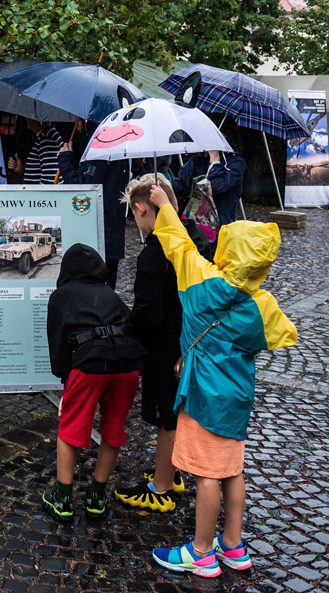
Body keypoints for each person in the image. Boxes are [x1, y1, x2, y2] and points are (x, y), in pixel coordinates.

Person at [146, 183, 298, 578]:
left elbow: (178, 245)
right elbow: (284, 334)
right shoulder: (262, 305)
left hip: (202, 394)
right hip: (237, 395)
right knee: (232, 469)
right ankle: (232, 546)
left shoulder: (203, 281)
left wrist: (163, 204)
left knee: (206, 474)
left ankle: (200, 552)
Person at [114, 174, 213, 514]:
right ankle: (170, 470)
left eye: (135, 214)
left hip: (164, 350)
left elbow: (148, 315)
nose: (135, 221)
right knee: (178, 413)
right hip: (190, 342)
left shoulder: (155, 255)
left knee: (166, 418)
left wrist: (130, 330)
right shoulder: (192, 240)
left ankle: (161, 487)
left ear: (143, 208)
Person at [42, 243, 146, 523]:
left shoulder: (60, 296)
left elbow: (59, 346)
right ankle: (97, 497)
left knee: (70, 428)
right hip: (128, 364)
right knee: (113, 428)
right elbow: (132, 324)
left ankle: (63, 499)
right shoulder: (110, 294)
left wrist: (66, 381)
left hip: (90, 364)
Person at [57, 117, 129, 288]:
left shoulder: (102, 147)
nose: (77, 122)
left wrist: (65, 159)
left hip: (99, 234)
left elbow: (83, 189)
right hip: (111, 233)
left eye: (81, 119)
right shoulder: (116, 144)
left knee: (96, 289)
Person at [172, 150, 247, 225]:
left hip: (221, 224)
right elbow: (181, 187)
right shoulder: (196, 160)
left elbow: (216, 186)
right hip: (193, 224)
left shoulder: (235, 162)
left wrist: (214, 161)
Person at [7, 118, 63, 184]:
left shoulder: (46, 139)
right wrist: (22, 170)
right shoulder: (45, 136)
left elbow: (50, 179)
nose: (25, 117)